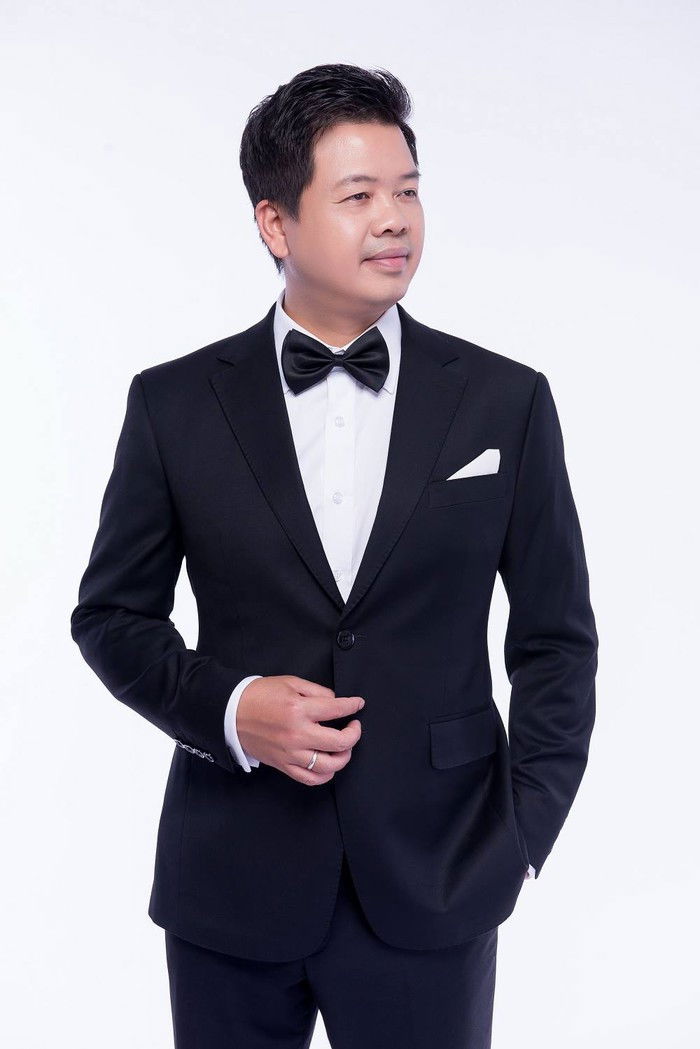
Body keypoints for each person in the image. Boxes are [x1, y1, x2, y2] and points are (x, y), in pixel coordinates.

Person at [70, 62, 598, 1049]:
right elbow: (110, 617)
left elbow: (557, 641)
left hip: (440, 876)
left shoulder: (505, 401)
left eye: (408, 191)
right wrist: (230, 708)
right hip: (231, 879)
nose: (394, 219)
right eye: (358, 196)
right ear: (275, 223)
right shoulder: (174, 404)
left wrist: (521, 835)